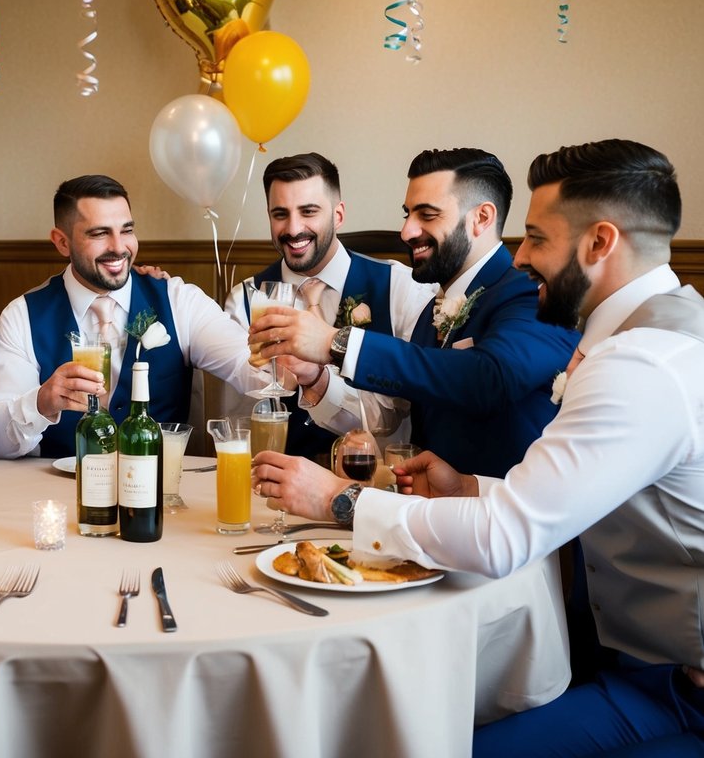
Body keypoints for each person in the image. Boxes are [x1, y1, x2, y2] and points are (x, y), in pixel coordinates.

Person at [255, 139, 704, 756]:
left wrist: (342, 501)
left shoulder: (639, 364)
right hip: (630, 658)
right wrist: (470, 488)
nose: (523, 257)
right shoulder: (665, 329)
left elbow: (503, 531)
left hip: (672, 684)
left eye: (538, 238)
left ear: (600, 243)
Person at [250, 148, 579, 477]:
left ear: (481, 218)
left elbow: (488, 378)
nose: (406, 231)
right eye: (408, 214)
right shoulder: (431, 311)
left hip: (511, 519)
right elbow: (393, 410)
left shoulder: (530, 295)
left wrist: (336, 342)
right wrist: (316, 379)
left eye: (427, 214)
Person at [0, 174, 265, 458]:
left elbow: (249, 366)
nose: (119, 247)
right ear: (62, 242)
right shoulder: (22, 316)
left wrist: (300, 358)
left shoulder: (179, 300)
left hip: (159, 491)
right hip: (58, 491)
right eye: (100, 233)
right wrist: (40, 403)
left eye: (126, 230)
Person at [223, 152, 436, 457]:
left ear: (338, 215)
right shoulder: (245, 300)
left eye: (308, 211)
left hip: (374, 488)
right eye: (280, 214)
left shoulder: (399, 288)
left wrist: (319, 380)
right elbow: (240, 422)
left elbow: (391, 416)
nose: (294, 228)